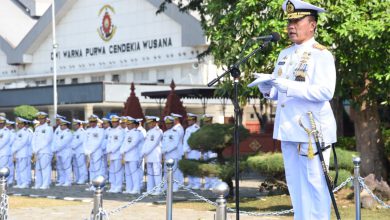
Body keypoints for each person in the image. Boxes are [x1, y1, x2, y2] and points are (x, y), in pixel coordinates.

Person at [249, 0, 336, 219]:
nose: (291, 26)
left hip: (312, 130)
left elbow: (325, 92)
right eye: (289, 21)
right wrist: (267, 88)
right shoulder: (285, 54)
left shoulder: (321, 54)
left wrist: (287, 85)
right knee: (296, 186)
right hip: (288, 128)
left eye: (297, 21)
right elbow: (280, 93)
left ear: (312, 25)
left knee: (315, 183)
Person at [120, 116, 143, 194]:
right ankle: (129, 188)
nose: (127, 125)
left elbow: (133, 143)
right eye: (127, 124)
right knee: (128, 173)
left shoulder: (137, 133)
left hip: (133, 156)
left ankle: (136, 188)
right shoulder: (128, 133)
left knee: (134, 173)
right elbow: (124, 143)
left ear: (133, 124)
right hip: (126, 156)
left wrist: (124, 150)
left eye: (129, 124)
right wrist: (121, 151)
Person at [141, 116, 163, 195]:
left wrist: (145, 152)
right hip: (149, 155)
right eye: (148, 123)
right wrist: (142, 153)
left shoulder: (158, 131)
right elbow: (146, 144)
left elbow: (153, 144)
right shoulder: (149, 132)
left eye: (150, 123)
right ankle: (150, 189)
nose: (149, 124)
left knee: (157, 173)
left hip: (155, 155)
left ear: (155, 122)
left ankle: (158, 190)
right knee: (150, 173)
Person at [31, 112, 53, 189]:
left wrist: (37, 149)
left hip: (45, 151)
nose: (40, 120)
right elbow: (33, 140)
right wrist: (34, 149)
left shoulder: (49, 128)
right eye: (39, 118)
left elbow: (47, 141)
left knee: (45, 168)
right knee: (38, 169)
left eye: (42, 118)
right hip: (37, 152)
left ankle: (45, 184)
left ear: (45, 119)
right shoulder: (37, 128)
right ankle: (38, 184)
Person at [83, 114, 104, 190]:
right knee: (91, 169)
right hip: (89, 153)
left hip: (97, 152)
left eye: (94, 122)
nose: (92, 123)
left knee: (98, 169)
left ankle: (99, 186)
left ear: (96, 122)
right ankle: (92, 185)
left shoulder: (100, 130)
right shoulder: (87, 131)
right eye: (91, 122)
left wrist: (91, 151)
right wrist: (86, 150)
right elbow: (84, 141)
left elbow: (99, 142)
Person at [161, 116, 181, 192]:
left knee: (174, 172)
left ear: (172, 123)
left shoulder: (175, 132)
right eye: (166, 124)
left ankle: (175, 187)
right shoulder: (165, 133)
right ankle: (166, 186)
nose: (167, 125)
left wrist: (165, 150)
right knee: (166, 172)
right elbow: (163, 144)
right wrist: (162, 152)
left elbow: (175, 144)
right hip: (166, 156)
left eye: (169, 123)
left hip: (173, 155)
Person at [106, 115, 125, 193]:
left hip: (117, 154)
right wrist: (108, 150)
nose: (114, 123)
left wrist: (112, 150)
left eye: (115, 122)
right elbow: (109, 142)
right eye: (112, 122)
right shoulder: (111, 131)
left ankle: (118, 187)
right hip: (111, 154)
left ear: (118, 122)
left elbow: (119, 143)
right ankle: (113, 186)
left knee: (118, 171)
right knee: (112, 171)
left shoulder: (121, 131)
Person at [52, 118, 73, 186]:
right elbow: (55, 141)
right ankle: (62, 180)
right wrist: (54, 149)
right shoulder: (59, 132)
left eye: (62, 125)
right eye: (60, 125)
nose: (61, 126)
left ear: (66, 126)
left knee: (66, 167)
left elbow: (63, 143)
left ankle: (68, 181)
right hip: (59, 152)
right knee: (60, 167)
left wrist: (55, 149)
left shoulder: (68, 133)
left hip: (65, 152)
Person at [201, 114, 220, 190]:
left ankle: (214, 184)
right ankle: (207, 184)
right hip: (205, 150)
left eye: (208, 121)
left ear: (211, 121)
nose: (206, 123)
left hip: (212, 151)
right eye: (205, 122)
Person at [183, 113, 201, 189]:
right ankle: (191, 182)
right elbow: (185, 141)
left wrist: (188, 149)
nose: (188, 121)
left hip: (194, 151)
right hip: (188, 151)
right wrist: (185, 151)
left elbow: (196, 141)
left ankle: (197, 183)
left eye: (190, 120)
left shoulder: (197, 128)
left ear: (194, 120)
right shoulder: (188, 129)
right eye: (188, 120)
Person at [12, 117, 30, 188]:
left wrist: (14, 149)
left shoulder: (25, 132)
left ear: (23, 124)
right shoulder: (18, 132)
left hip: (23, 153)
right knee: (18, 169)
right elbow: (15, 143)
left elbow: (23, 143)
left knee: (23, 169)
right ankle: (19, 183)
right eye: (17, 123)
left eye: (19, 124)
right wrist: (14, 150)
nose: (17, 125)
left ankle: (25, 183)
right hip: (18, 153)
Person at [70, 119, 88, 184]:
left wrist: (72, 146)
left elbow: (80, 141)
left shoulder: (82, 132)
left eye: (75, 125)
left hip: (80, 151)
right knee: (75, 165)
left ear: (79, 125)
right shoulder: (75, 132)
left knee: (81, 165)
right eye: (74, 125)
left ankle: (83, 178)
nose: (74, 126)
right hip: (74, 151)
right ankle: (77, 178)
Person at [170, 113, 185, 186]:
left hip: (177, 151)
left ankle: (178, 183)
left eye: (174, 120)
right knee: (176, 168)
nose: (173, 121)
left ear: (177, 120)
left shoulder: (178, 128)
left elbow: (175, 141)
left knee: (176, 168)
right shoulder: (175, 128)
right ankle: (179, 183)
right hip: (176, 151)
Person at [0, 116, 12, 185]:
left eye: (1, 123)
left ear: (4, 123)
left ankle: (5, 182)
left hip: (4, 153)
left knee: (4, 168)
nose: (0, 124)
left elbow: (4, 142)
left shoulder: (6, 131)